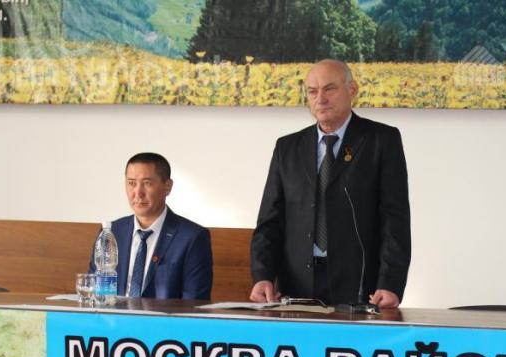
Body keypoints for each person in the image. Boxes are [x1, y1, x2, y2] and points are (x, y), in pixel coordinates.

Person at [250, 59, 410, 308]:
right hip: (297, 284)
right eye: (313, 92)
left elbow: (395, 220)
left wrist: (390, 282)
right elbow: (269, 223)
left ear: (352, 90)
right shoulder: (287, 147)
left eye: (329, 89)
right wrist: (263, 276)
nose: (320, 99)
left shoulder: (381, 140)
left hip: (360, 286)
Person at [90, 153, 213, 300]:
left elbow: (194, 303)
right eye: (131, 183)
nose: (138, 193)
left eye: (147, 183)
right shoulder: (112, 232)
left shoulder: (192, 237)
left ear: (168, 187)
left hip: (164, 316)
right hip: (114, 314)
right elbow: (95, 291)